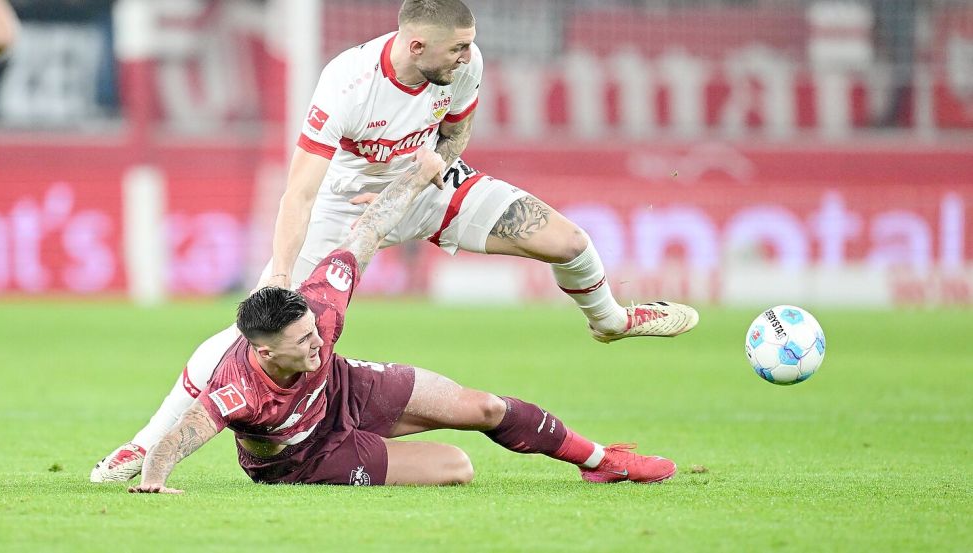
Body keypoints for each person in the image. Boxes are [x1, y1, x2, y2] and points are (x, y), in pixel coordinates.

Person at [92, 0, 697, 483]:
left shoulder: (467, 65)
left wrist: (427, 178)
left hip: (426, 187)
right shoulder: (347, 82)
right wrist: (280, 272)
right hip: (343, 206)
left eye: (468, 46)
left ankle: (612, 320)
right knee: (251, 329)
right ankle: (142, 447)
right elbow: (299, 190)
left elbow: (455, 137)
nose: (467, 57)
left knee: (568, 240)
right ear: (415, 46)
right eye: (457, 48)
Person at [127, 147, 675, 492]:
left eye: (315, 333)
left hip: (347, 391)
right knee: (458, 466)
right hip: (305, 457)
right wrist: (152, 482)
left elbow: (365, 234)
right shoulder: (236, 388)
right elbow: (182, 434)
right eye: (303, 344)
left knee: (483, 407)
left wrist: (414, 180)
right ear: (265, 353)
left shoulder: (319, 306)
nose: (318, 343)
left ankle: (601, 461)